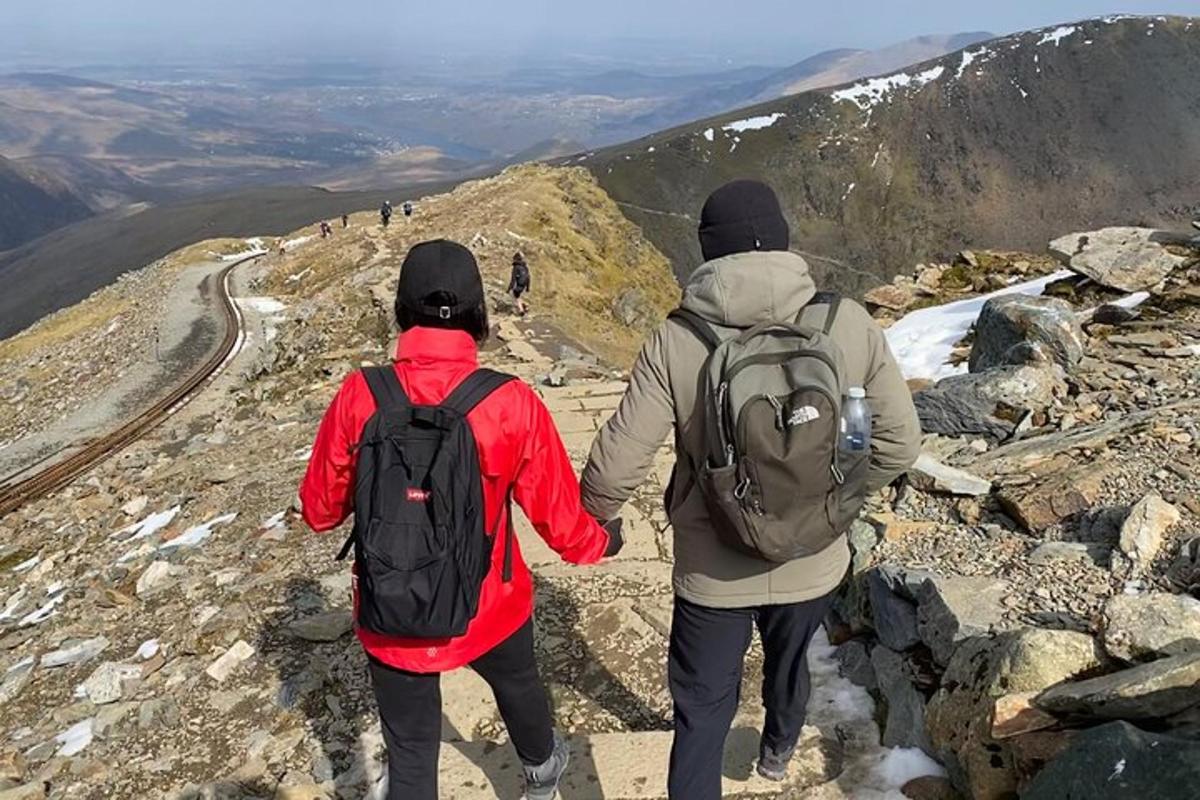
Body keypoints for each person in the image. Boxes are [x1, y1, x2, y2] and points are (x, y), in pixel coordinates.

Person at [580, 180, 921, 800]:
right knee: (791, 665)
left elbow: (613, 469)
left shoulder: (678, 340)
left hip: (714, 571)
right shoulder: (846, 323)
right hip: (814, 557)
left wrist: (596, 520)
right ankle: (777, 749)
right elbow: (897, 444)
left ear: (709, 252)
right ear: (784, 239)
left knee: (702, 710)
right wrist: (835, 500)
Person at [299, 239, 623, 800]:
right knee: (518, 682)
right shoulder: (510, 401)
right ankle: (543, 773)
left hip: (392, 604)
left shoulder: (360, 394)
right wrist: (602, 542)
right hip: (488, 603)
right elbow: (559, 518)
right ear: (479, 314)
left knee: (412, 749)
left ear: (403, 310)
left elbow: (320, 512)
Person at [508, 251, 532, 317]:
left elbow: (513, 279)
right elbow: (528, 277)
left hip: (518, 285)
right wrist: (527, 287)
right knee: (518, 296)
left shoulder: (516, 267)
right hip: (523, 285)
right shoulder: (525, 267)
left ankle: (521, 310)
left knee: (516, 297)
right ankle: (525, 306)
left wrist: (509, 288)